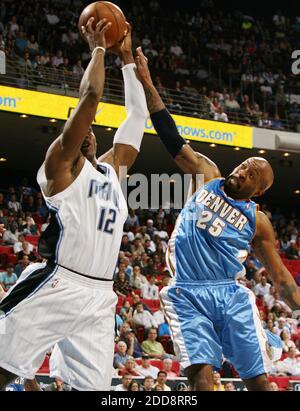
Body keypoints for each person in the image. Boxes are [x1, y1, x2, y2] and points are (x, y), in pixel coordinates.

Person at [135, 47, 300, 391]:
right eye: (244, 163)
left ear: (258, 190)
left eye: (252, 171)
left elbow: (281, 278)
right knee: (198, 374)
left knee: (257, 379)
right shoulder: (206, 173)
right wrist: (148, 83)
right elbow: (172, 139)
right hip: (186, 292)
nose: (243, 168)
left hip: (229, 295)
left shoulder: (259, 221)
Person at [0, 20, 148, 392]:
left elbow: (136, 118)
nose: (84, 130)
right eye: (76, 126)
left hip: (100, 296)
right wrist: (99, 48)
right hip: (57, 282)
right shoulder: (59, 166)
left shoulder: (114, 170)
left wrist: (127, 59)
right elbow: (91, 98)